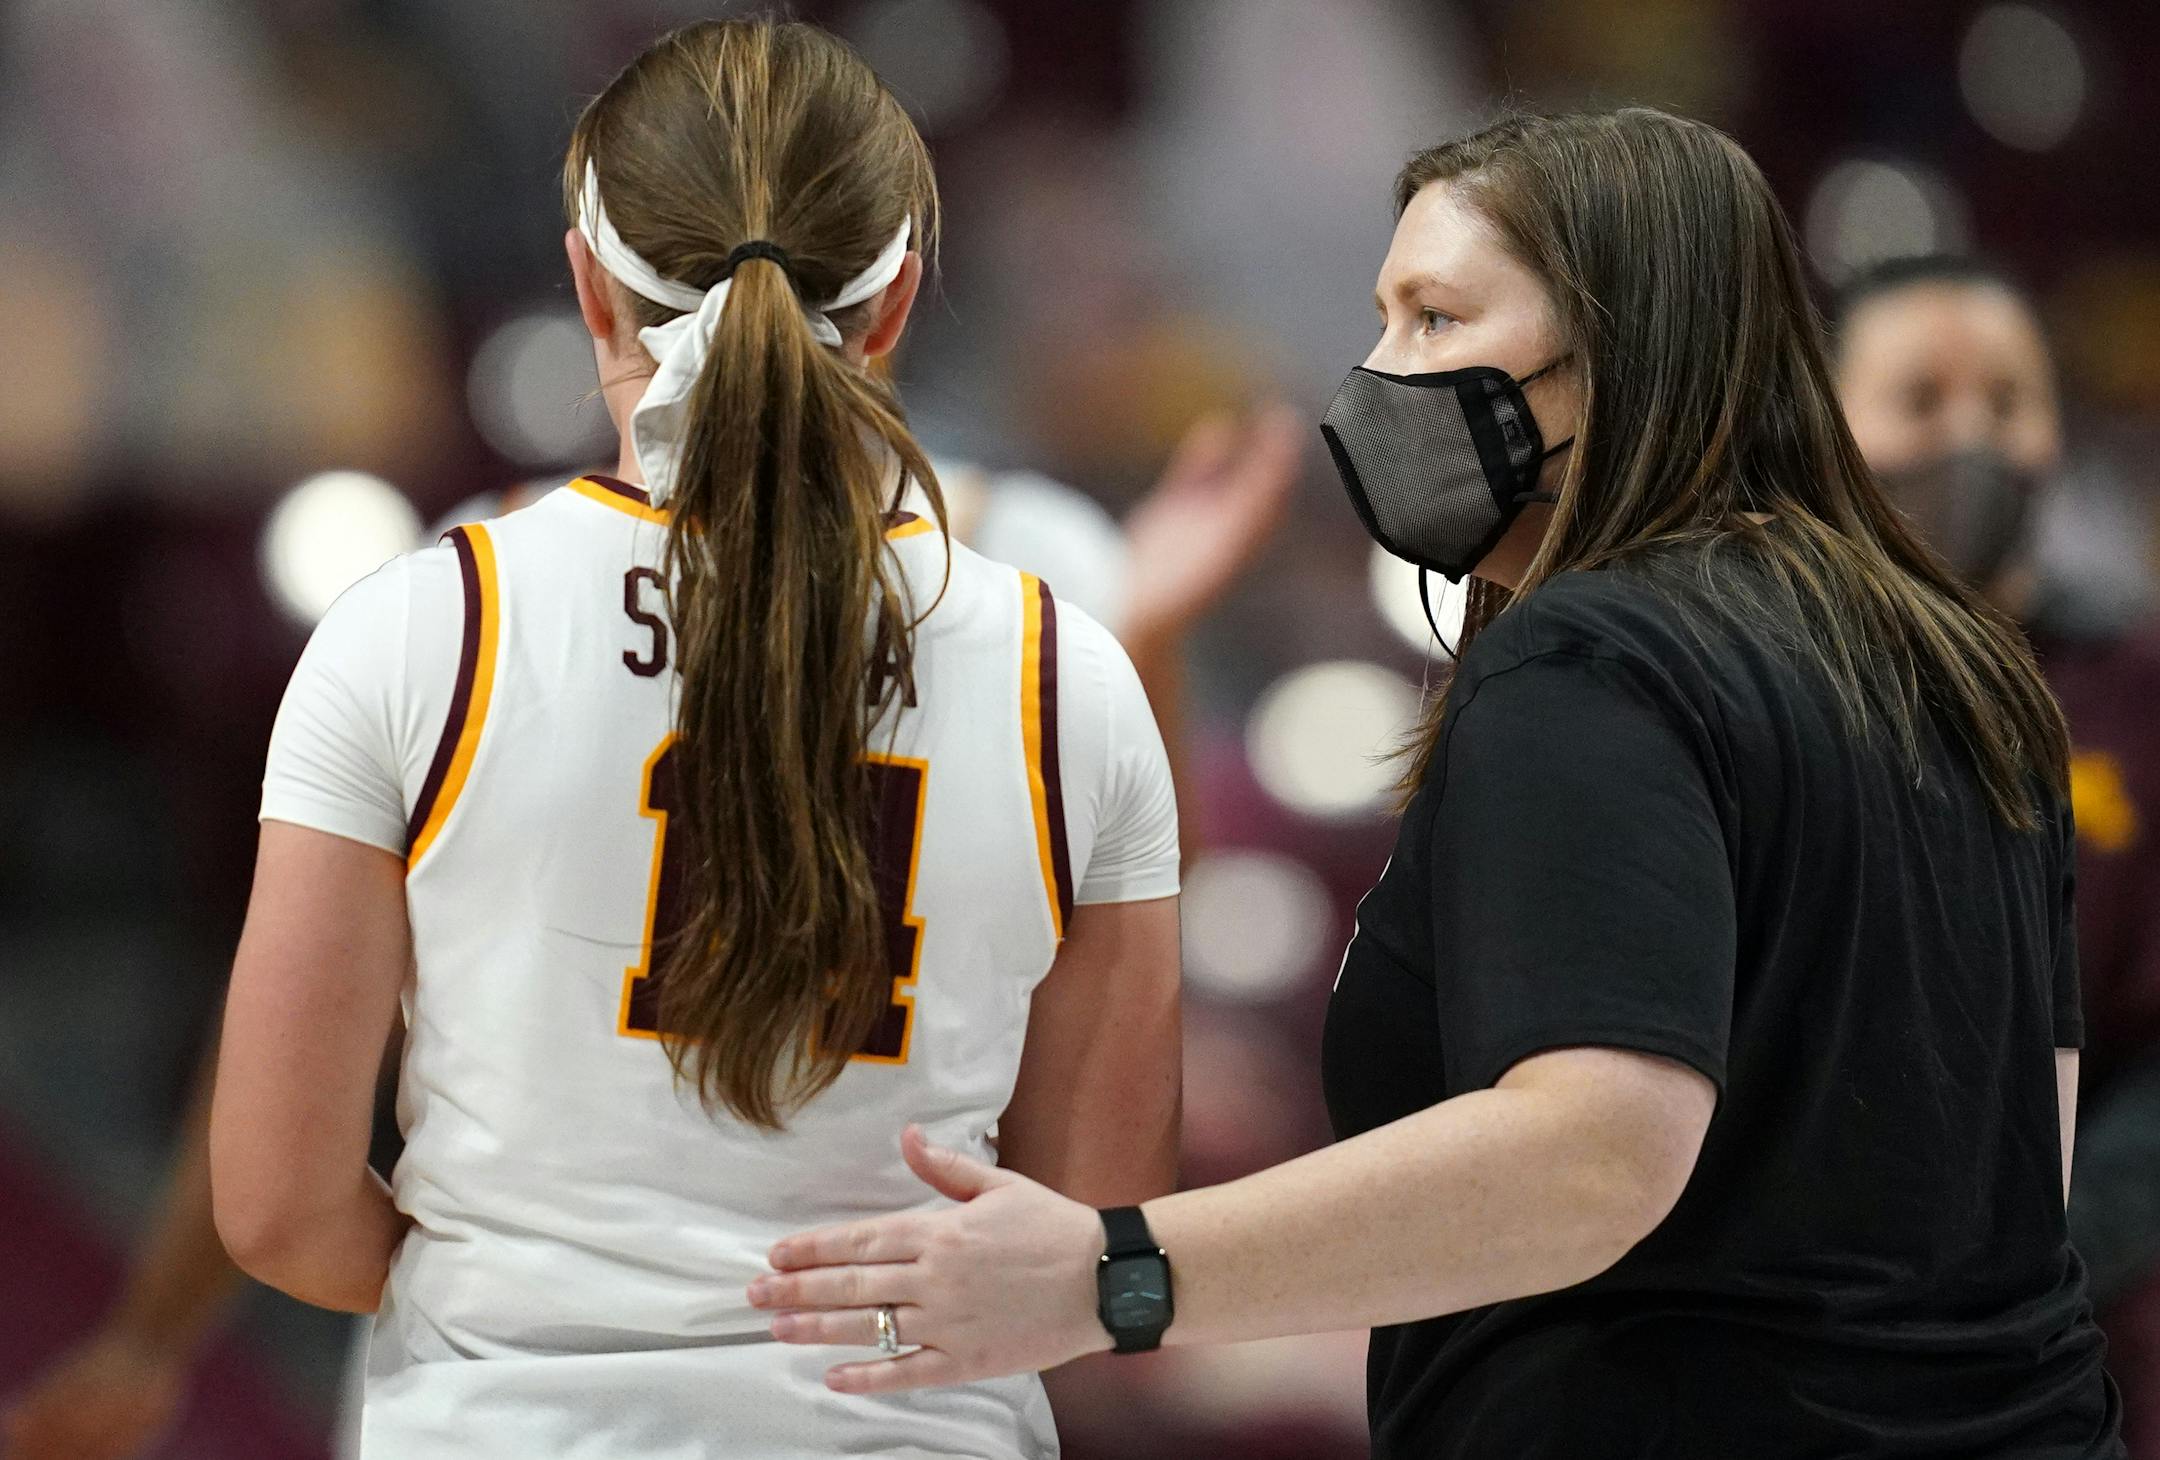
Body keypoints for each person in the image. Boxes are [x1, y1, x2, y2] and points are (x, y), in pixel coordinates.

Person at [747, 107, 2125, 1458]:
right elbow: (2023, 1163)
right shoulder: (1965, 672)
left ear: (1620, 352)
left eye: (1437, 319)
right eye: (1385, 315)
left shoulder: (1594, 655)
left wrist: (1112, 1273)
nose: (1377, 373)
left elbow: (1597, 1151)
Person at [203, 19, 1182, 1459]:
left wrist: (533, 1314)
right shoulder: (1067, 678)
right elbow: (1091, 1218)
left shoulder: (424, 632)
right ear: (898, 302)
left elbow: (280, 1209)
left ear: (588, 282)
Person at [1834, 252, 2160, 1455]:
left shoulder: (2136, 693)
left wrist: (2045, 1261)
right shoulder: (1756, 687)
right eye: (1920, 400)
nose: (1969, 436)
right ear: (1824, 426)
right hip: (1803, 1332)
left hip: (2088, 1334)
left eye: (2008, 401)